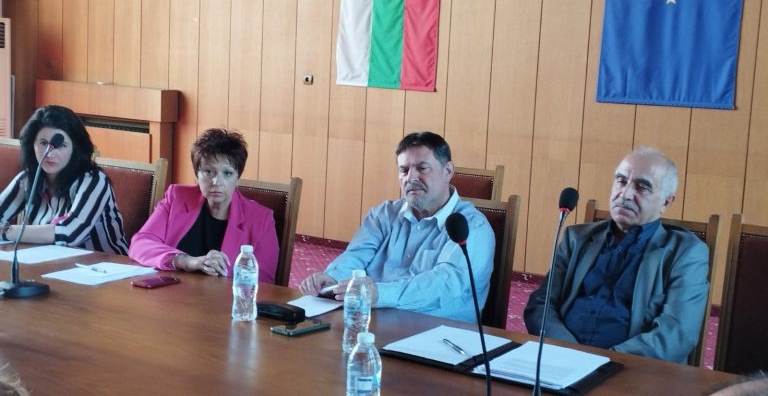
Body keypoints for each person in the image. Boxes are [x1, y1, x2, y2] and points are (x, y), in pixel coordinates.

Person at [524, 147, 710, 363]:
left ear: (666, 202)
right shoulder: (577, 238)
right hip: (559, 359)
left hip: (631, 370)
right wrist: (568, 353)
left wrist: (604, 362)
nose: (625, 194)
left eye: (642, 187)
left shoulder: (685, 253)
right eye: (621, 181)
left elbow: (676, 334)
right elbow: (541, 305)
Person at [299, 131, 495, 323]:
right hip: (372, 321)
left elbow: (444, 285)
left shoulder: (471, 227)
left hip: (438, 331)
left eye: (422, 168)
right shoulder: (384, 214)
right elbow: (356, 256)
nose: (411, 178)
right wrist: (333, 279)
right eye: (404, 170)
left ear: (448, 171)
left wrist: (379, 294)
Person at [129, 128, 279, 282]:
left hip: (223, 297)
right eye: (208, 172)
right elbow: (140, 244)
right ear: (197, 175)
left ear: (237, 178)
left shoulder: (261, 219)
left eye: (227, 173)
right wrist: (186, 261)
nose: (216, 182)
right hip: (171, 292)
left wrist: (218, 270)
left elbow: (265, 284)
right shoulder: (177, 197)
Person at [0, 105, 128, 254]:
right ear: (31, 145)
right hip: (49, 262)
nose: (49, 154)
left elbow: (69, 234)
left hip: (104, 265)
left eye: (61, 145)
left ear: (75, 148)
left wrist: (6, 231)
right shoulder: (27, 180)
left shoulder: (93, 181)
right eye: (43, 143)